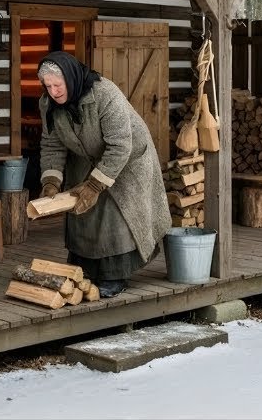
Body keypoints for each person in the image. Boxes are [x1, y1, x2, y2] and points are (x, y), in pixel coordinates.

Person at [36, 51, 171, 298]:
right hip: (86, 156)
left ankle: (114, 276)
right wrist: (51, 181)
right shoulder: (48, 105)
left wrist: (96, 185)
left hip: (128, 157)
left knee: (114, 213)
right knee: (83, 211)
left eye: (58, 84)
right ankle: (85, 270)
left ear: (71, 77)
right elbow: (52, 145)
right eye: (48, 86)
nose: (53, 91)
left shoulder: (104, 94)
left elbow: (120, 144)